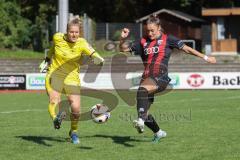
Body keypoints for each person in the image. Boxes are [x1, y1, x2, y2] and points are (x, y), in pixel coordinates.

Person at [119, 15, 216, 143]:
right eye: (147, 30)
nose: (150, 33)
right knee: (144, 113)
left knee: (141, 91)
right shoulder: (142, 42)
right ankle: (159, 133)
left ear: (159, 28)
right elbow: (123, 49)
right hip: (147, 78)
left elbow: (187, 49)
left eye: (152, 30)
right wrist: (122, 39)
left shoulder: (168, 39)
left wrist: (205, 57)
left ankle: (141, 121)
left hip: (161, 77)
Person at [39, 17, 104, 144]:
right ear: (66, 32)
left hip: (72, 77)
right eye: (71, 32)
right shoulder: (57, 37)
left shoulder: (82, 43)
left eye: (76, 32)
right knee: (54, 100)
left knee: (76, 108)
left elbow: (94, 54)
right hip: (55, 74)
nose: (74, 34)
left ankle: (73, 132)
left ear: (79, 32)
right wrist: (46, 60)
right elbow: (53, 49)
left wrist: (99, 59)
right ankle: (55, 119)